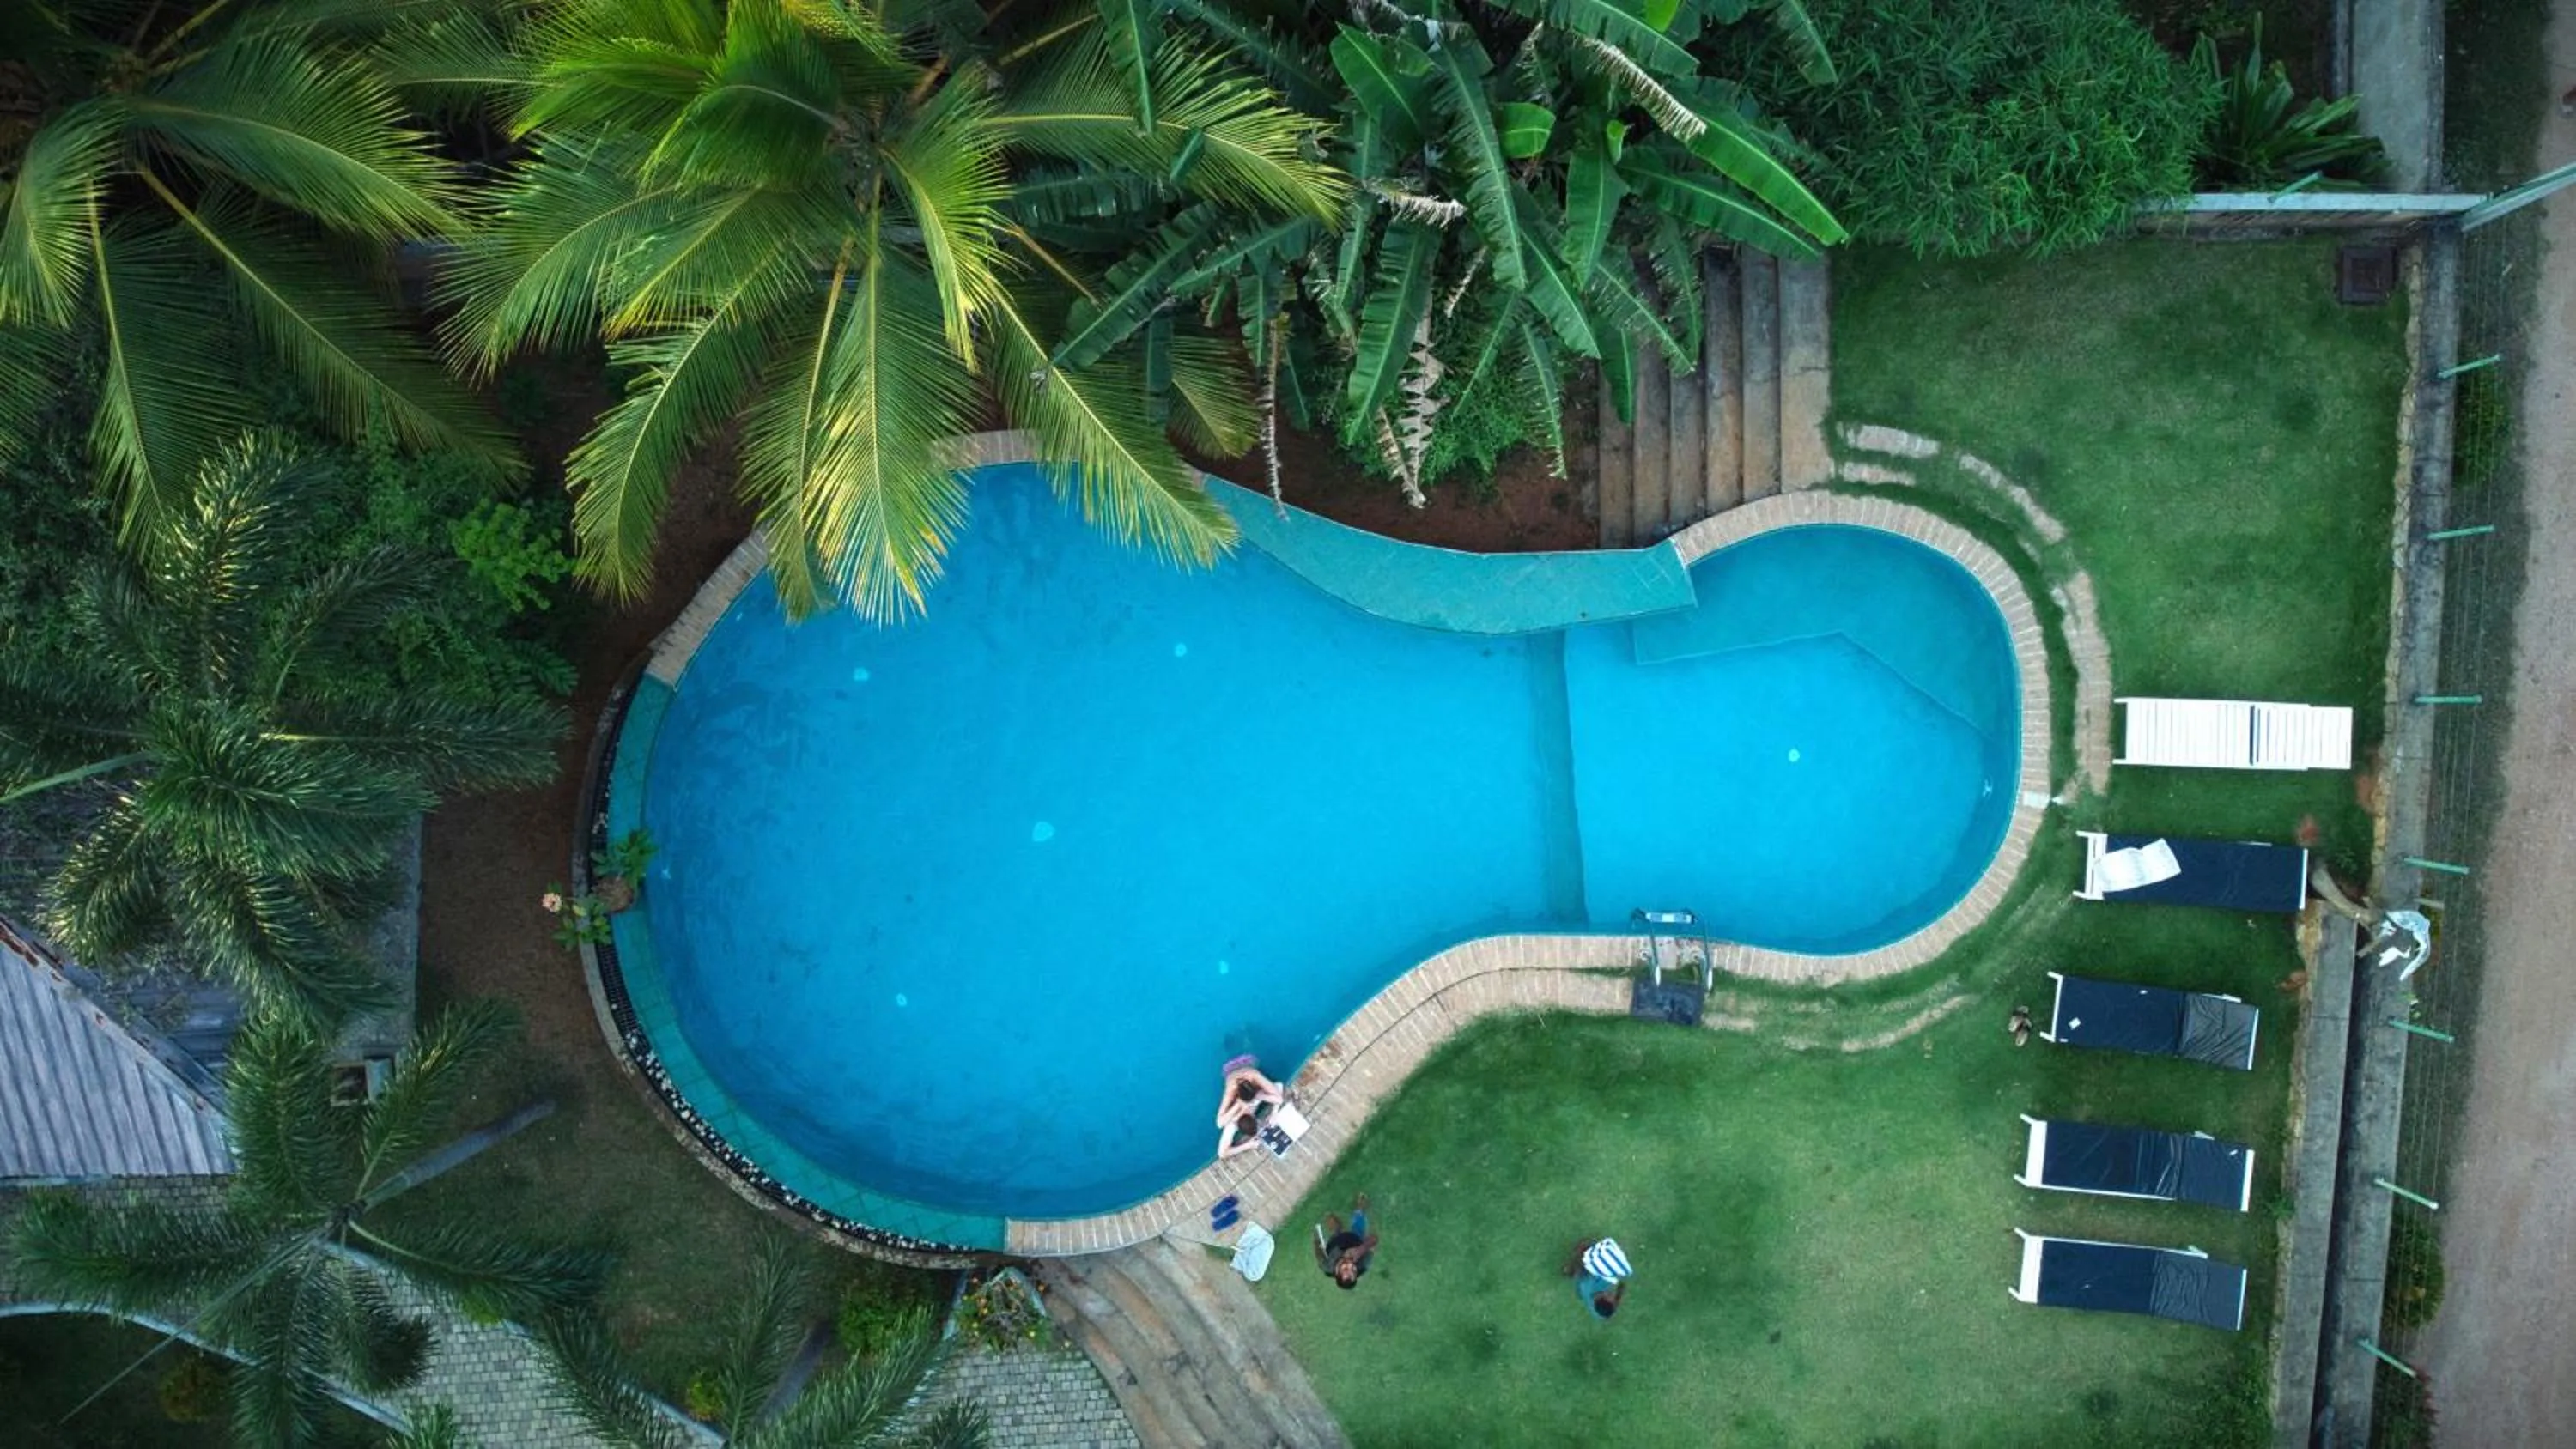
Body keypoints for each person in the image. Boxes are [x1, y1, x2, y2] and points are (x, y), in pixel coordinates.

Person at [1216, 1056, 1285, 1159]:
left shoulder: (1255, 1093)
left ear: (1253, 1116)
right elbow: (1219, 1124)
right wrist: (1248, 1146)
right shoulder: (1232, 1121)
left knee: (1254, 1077)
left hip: (1249, 1075)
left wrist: (1274, 1112)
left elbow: (1279, 1087)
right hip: (1235, 1081)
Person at [1313, 1192, 1377, 1289]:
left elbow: (1317, 1246)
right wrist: (1361, 1249)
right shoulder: (1363, 1265)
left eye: (1346, 1268)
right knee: (1359, 1214)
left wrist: (1316, 1237)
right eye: (1353, 1270)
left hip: (1336, 1242)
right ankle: (1360, 1206)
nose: (1350, 1264)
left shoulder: (1327, 1266)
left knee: (1334, 1223)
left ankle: (1327, 1211)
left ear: (1337, 1272)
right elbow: (1374, 1239)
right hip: (1355, 1238)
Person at [1564, 1237, 1631, 1319]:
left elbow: (1586, 1266)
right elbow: (1613, 1307)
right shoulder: (1602, 1312)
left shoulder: (1586, 1285)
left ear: (1601, 1298)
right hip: (1596, 1279)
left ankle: (1570, 1268)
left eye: (1609, 1296)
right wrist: (1619, 1294)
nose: (1611, 1294)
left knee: (1578, 1267)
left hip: (1586, 1272)